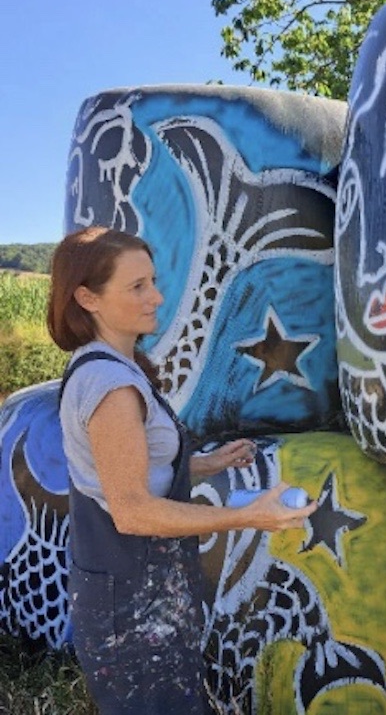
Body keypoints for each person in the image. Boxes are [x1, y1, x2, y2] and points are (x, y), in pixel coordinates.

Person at [47, 226, 317, 714]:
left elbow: (126, 470)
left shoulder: (108, 367)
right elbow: (132, 510)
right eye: (137, 286)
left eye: (152, 281)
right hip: (133, 610)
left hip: (136, 595)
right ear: (87, 298)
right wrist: (249, 516)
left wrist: (207, 463)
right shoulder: (110, 386)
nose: (156, 297)